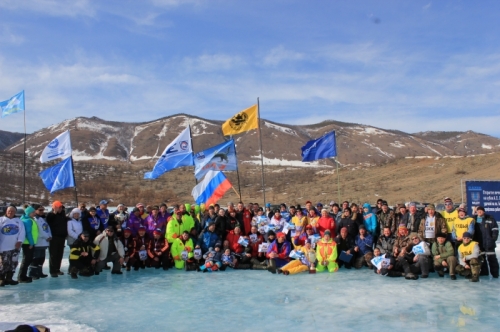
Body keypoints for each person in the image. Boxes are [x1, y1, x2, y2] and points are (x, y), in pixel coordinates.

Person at [0, 206, 25, 286]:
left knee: (13, 263)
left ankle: (9, 278)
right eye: (9, 211)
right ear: (6, 211)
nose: (10, 212)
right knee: (4, 263)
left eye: (12, 211)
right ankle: (1, 278)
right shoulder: (1, 220)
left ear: (15, 212)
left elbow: (22, 232)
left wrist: (20, 241)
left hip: (15, 246)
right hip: (4, 246)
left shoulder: (18, 221)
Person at [473, 206, 498, 278]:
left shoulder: (490, 218)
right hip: (479, 242)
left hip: (489, 242)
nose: (479, 212)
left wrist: (493, 238)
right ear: (476, 212)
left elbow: (495, 229)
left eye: (481, 210)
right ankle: (484, 272)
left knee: (492, 258)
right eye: (478, 211)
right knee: (482, 259)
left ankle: (495, 273)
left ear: (484, 211)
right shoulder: (474, 219)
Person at [46, 201, 68, 277]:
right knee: (53, 255)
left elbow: (66, 221)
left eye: (61, 207)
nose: (61, 208)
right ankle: (52, 271)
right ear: (55, 207)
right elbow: (49, 221)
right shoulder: (50, 215)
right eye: (59, 207)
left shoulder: (62, 215)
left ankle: (57, 269)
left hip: (62, 238)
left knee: (59, 254)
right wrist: (54, 212)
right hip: (54, 238)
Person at [30, 204, 51, 279]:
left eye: (43, 210)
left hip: (44, 242)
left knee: (41, 258)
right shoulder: (35, 219)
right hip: (38, 241)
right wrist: (47, 236)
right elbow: (40, 230)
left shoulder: (43, 218)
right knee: (36, 258)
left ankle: (39, 272)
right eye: (40, 210)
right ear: (35, 211)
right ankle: (33, 273)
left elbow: (47, 228)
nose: (42, 211)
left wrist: (50, 235)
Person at [18, 206, 39, 283]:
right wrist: (31, 243)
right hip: (28, 243)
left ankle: (23, 275)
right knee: (26, 260)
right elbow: (28, 232)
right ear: (29, 213)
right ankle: (21, 276)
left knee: (28, 260)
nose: (34, 213)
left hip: (29, 243)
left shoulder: (29, 219)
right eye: (33, 212)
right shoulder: (27, 220)